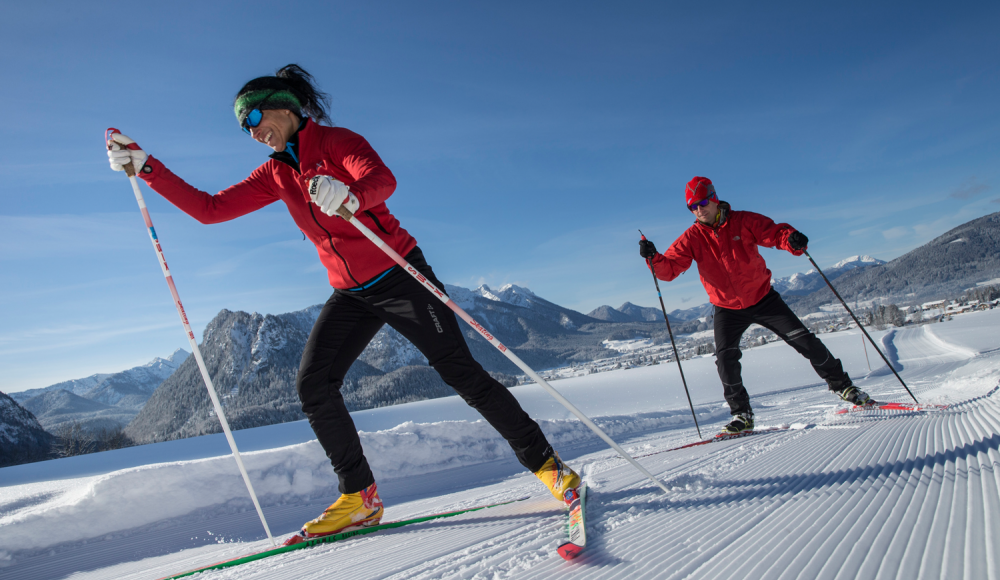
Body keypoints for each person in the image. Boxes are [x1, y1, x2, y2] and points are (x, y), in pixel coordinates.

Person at [107, 64, 579, 539]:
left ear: (284, 106)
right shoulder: (274, 173)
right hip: (350, 293)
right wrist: (146, 166)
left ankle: (549, 468)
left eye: (252, 119)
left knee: (462, 374)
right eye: (243, 128)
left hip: (399, 274)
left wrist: (350, 195)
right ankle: (360, 498)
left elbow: (382, 180)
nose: (251, 133)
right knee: (314, 385)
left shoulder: (338, 144)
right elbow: (209, 210)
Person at [638, 177, 872, 434]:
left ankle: (844, 387)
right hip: (726, 308)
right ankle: (742, 415)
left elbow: (774, 233)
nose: (698, 209)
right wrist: (654, 258)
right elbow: (669, 269)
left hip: (762, 298)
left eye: (702, 202)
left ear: (714, 198)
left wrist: (792, 239)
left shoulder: (743, 221)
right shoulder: (692, 238)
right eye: (692, 207)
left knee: (805, 341)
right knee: (725, 360)